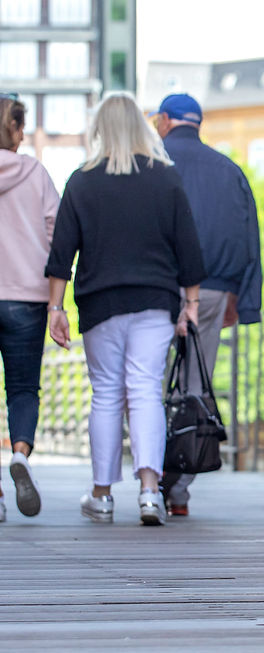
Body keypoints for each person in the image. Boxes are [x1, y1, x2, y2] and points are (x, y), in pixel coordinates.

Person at [45, 92, 207, 527]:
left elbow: (62, 251)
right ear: (140, 126)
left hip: (100, 302)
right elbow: (188, 247)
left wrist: (54, 308)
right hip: (155, 301)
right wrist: (190, 302)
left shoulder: (81, 180)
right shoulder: (165, 179)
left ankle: (101, 495)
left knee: (107, 395)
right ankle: (151, 492)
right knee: (144, 389)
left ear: (100, 129)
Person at [151, 93, 263, 516]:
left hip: (157, 287)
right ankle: (178, 489)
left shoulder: (151, 163)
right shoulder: (228, 170)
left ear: (164, 121)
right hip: (215, 292)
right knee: (195, 386)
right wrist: (241, 298)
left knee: (150, 385)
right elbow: (247, 238)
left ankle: (150, 478)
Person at [0, 92, 59, 522]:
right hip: (26, 297)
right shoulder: (36, 173)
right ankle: (20, 452)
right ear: (17, 130)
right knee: (22, 389)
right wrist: (58, 301)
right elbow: (58, 235)